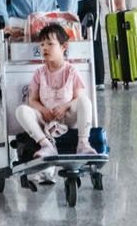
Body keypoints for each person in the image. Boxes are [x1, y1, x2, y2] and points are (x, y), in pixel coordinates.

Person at [15, 23, 95, 158]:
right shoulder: (39, 73)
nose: (44, 48)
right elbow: (32, 100)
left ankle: (83, 144)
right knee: (21, 110)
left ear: (64, 47)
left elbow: (78, 99)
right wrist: (43, 110)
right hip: (46, 119)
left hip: (67, 118)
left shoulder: (71, 71)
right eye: (42, 45)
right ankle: (46, 145)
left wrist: (65, 106)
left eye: (50, 44)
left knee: (85, 101)